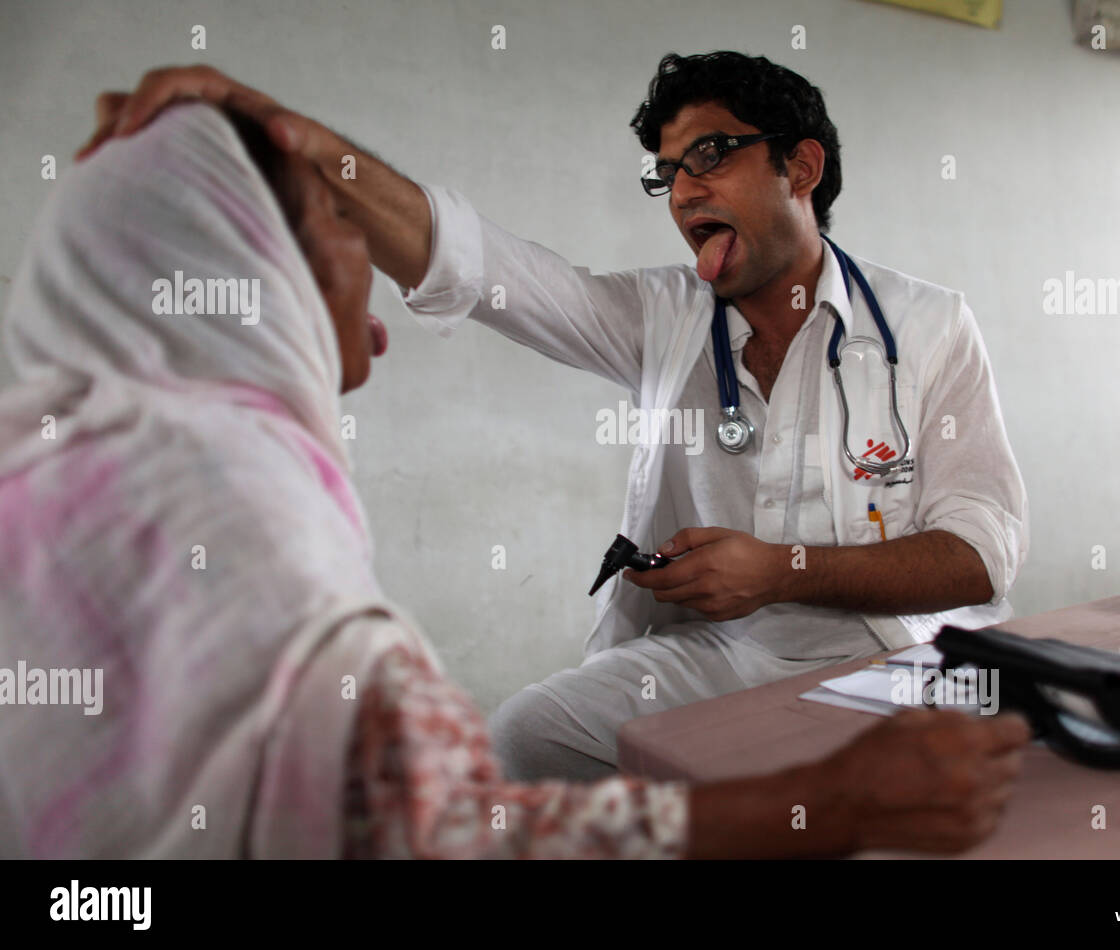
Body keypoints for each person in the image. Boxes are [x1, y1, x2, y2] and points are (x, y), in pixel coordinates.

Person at [0, 98, 1029, 859]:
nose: (681, 191)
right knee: (529, 731)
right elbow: (481, 265)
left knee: (975, 812)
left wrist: (783, 566)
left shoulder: (928, 326)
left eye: (710, 155)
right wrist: (296, 137)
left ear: (802, 165)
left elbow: (979, 555)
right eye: (664, 171)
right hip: (710, 650)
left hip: (882, 654)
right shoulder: (661, 315)